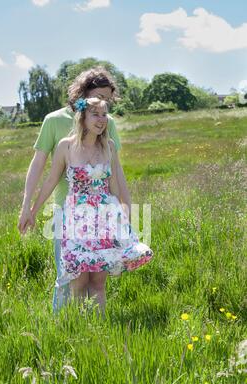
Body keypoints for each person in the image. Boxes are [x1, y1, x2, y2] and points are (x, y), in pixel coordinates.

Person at [18, 67, 131, 312]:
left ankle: (93, 331)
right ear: (84, 94)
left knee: (96, 279)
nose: (103, 106)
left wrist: (126, 206)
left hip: (100, 215)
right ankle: (63, 329)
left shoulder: (106, 123)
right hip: (66, 211)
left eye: (107, 102)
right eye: (99, 97)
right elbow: (39, 166)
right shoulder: (54, 121)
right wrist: (27, 206)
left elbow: (116, 170)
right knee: (68, 277)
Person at [29, 97, 154, 316]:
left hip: (106, 219)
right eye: (95, 114)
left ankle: (100, 331)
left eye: (104, 114)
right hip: (77, 220)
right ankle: (79, 332)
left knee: (98, 283)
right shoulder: (65, 146)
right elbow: (50, 181)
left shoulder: (109, 146)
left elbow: (114, 186)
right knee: (78, 283)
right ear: (82, 117)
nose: (101, 119)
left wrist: (125, 219)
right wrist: (32, 210)